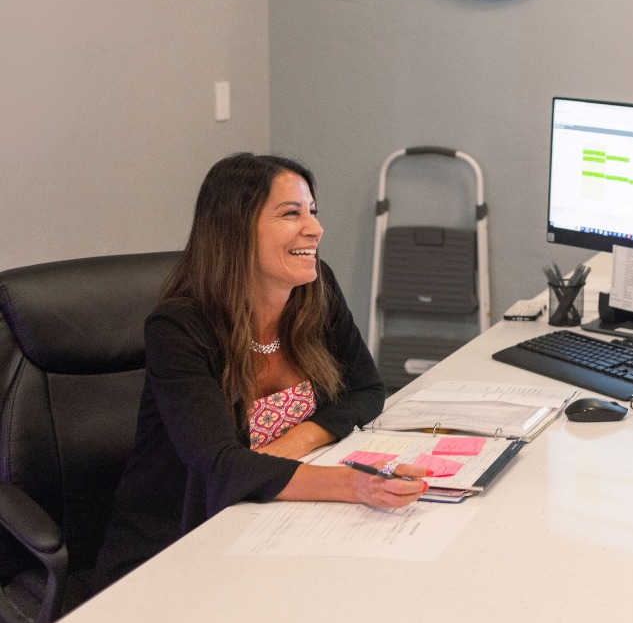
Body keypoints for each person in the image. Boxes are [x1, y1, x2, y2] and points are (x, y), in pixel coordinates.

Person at [98, 153, 427, 584]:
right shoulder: (179, 328)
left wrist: (299, 438)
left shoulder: (315, 290)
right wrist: (356, 486)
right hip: (176, 547)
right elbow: (220, 467)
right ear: (234, 232)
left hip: (270, 521)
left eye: (312, 211)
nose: (315, 228)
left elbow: (366, 389)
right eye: (291, 214)